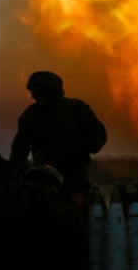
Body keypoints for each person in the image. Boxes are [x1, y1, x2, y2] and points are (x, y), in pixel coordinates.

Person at [9, 71, 107, 206]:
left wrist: (75, 147)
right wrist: (15, 173)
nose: (33, 96)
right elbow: (20, 148)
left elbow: (98, 137)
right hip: (42, 181)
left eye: (36, 92)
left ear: (48, 92)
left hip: (74, 179)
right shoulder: (30, 116)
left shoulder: (76, 109)